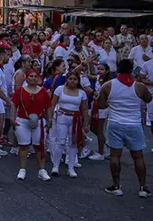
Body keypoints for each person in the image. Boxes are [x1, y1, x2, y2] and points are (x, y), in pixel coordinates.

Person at [95, 59, 152, 197]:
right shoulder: (139, 87)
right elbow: (149, 99)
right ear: (132, 69)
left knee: (115, 155)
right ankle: (143, 188)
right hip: (134, 124)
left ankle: (116, 186)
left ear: (118, 69)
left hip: (115, 122)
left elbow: (100, 105)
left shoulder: (108, 85)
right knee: (138, 156)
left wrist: (112, 103)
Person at [11, 70, 52, 181]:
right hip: (23, 121)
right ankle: (22, 169)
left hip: (38, 121)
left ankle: (42, 170)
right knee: (23, 146)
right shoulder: (20, 91)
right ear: (26, 78)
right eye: (31, 76)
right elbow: (14, 104)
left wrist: (49, 119)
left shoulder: (43, 91)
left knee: (39, 146)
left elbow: (48, 106)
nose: (33, 78)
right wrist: (12, 118)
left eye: (35, 76)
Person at [49, 72, 89, 178]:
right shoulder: (59, 89)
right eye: (70, 78)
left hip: (75, 119)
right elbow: (52, 105)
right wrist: (49, 118)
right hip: (62, 117)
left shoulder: (81, 92)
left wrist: (86, 123)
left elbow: (85, 109)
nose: (72, 81)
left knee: (73, 143)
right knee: (60, 142)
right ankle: (55, 166)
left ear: (78, 81)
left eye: (74, 79)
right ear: (66, 79)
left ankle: (71, 167)